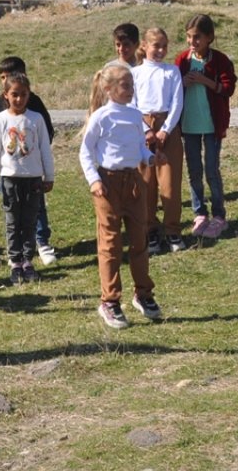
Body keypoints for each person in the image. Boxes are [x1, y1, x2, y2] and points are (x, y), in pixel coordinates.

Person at [79, 64, 161, 328]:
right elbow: (85, 152)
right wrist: (94, 181)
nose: (130, 90)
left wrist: (151, 157)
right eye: (125, 85)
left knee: (140, 239)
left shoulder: (135, 116)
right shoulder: (101, 117)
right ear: (109, 89)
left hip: (134, 182)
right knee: (111, 243)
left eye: (132, 85)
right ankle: (110, 301)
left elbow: (139, 147)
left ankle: (143, 293)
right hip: (108, 184)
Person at [0, 56, 58, 264]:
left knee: (36, 209)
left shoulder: (34, 106)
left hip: (33, 170)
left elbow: (46, 135)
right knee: (13, 214)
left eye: (10, 75)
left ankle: (41, 242)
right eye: (2, 77)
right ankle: (15, 253)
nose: (6, 80)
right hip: (10, 172)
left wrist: (42, 166)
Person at [174, 14, 237, 240]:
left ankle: (219, 215)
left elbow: (228, 88)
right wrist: (183, 82)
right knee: (194, 171)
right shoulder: (181, 60)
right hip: (189, 126)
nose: (192, 42)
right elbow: (172, 90)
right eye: (189, 37)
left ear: (209, 37)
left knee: (211, 170)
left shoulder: (219, 60)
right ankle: (199, 213)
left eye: (197, 37)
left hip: (212, 125)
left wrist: (204, 81)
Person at [131, 28, 186, 253]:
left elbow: (177, 102)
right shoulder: (135, 74)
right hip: (142, 128)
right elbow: (131, 103)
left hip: (168, 129)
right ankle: (150, 231)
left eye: (164, 46)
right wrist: (145, 130)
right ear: (144, 46)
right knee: (146, 184)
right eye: (156, 46)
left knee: (170, 184)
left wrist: (165, 129)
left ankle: (172, 230)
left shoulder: (172, 72)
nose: (161, 50)